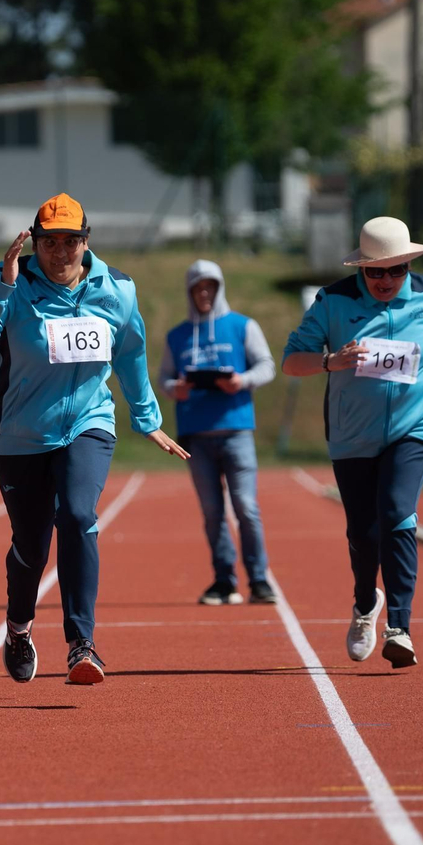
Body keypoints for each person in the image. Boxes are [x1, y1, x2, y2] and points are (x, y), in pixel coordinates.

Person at [0, 192, 189, 686]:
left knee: (79, 516)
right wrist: (2, 285)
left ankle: (82, 643)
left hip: (88, 423)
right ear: (33, 243)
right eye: (49, 243)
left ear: (86, 241)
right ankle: (18, 627)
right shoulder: (10, 283)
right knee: (31, 546)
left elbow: (130, 351)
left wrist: (146, 418)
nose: (59, 253)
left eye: (70, 242)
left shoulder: (117, 289)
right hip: (21, 435)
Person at [280, 216, 423, 669]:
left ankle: (400, 627)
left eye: (396, 270)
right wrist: (331, 361)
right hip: (352, 432)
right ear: (361, 269)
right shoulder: (334, 301)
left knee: (396, 512)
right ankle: (365, 602)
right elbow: (291, 361)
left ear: (409, 265)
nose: (386, 280)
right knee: (363, 532)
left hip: (417, 424)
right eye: (375, 272)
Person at [159, 260, 279, 607]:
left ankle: (259, 580)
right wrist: (175, 388)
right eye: (198, 288)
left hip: (236, 430)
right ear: (190, 292)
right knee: (212, 512)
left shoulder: (243, 326)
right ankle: (224, 581)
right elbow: (164, 377)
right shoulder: (177, 336)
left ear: (219, 288)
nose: (204, 294)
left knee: (246, 507)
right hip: (196, 435)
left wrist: (241, 381)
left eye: (210, 286)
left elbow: (267, 366)